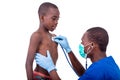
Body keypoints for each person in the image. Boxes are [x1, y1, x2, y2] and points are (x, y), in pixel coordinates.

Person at [35, 27, 120, 80]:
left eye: (83, 42)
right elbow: (85, 75)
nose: (81, 45)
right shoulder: (108, 64)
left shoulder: (97, 71)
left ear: (92, 45)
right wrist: (68, 50)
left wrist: (51, 68)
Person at [25, 2, 60, 80]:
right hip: (39, 77)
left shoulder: (54, 37)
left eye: (58, 19)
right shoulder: (36, 36)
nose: (57, 22)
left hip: (52, 76)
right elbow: (28, 63)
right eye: (54, 19)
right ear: (42, 18)